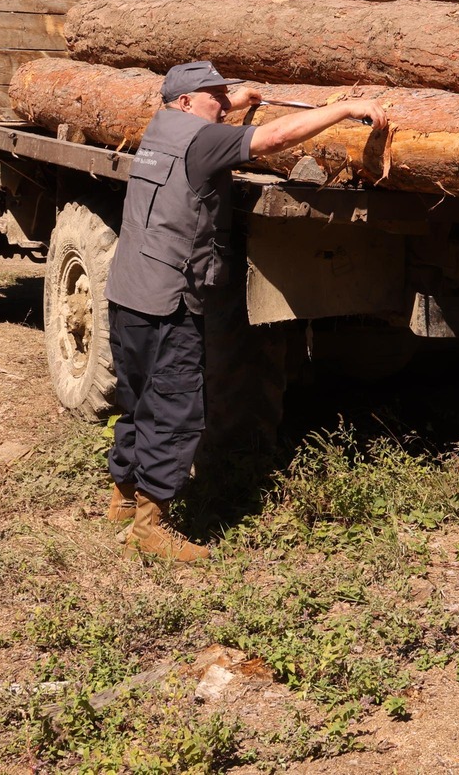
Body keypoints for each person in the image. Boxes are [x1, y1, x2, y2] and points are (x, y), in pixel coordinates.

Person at [103, 60, 387, 561]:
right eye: (213, 94)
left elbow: (205, 117)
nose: (222, 101)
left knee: (137, 396)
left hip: (128, 291)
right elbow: (275, 138)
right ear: (186, 102)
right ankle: (149, 529)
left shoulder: (160, 128)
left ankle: (123, 499)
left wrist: (237, 101)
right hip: (170, 298)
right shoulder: (202, 140)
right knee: (173, 409)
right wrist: (344, 109)